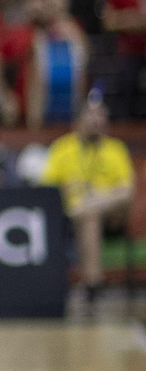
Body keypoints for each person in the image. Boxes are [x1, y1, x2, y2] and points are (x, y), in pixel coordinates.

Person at [41, 98, 135, 308]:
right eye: (91, 115)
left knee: (117, 195)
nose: (97, 121)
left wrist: (97, 195)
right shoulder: (62, 148)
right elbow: (47, 188)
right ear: (78, 121)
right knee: (90, 217)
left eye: (101, 116)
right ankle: (92, 287)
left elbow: (126, 191)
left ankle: (91, 287)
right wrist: (71, 188)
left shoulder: (116, 149)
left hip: (114, 216)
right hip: (72, 220)